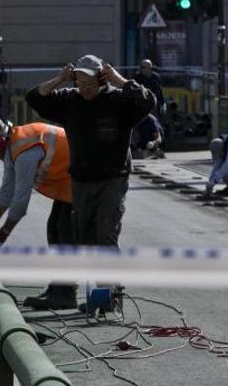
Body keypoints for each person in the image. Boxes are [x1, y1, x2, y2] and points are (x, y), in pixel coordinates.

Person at [25, 55, 155, 252]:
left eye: (89, 83)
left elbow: (148, 101)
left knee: (106, 233)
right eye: (80, 83)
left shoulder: (119, 101)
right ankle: (95, 279)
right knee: (84, 235)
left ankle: (110, 282)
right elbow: (34, 97)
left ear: (102, 79)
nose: (84, 88)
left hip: (113, 180)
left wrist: (119, 80)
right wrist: (60, 79)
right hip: (81, 181)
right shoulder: (70, 100)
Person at [0, 118, 77, 309]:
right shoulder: (12, 150)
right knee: (54, 229)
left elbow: (20, 199)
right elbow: (6, 192)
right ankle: (58, 288)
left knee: (64, 231)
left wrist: (4, 233)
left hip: (83, 176)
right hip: (69, 180)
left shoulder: (24, 150)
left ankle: (66, 294)